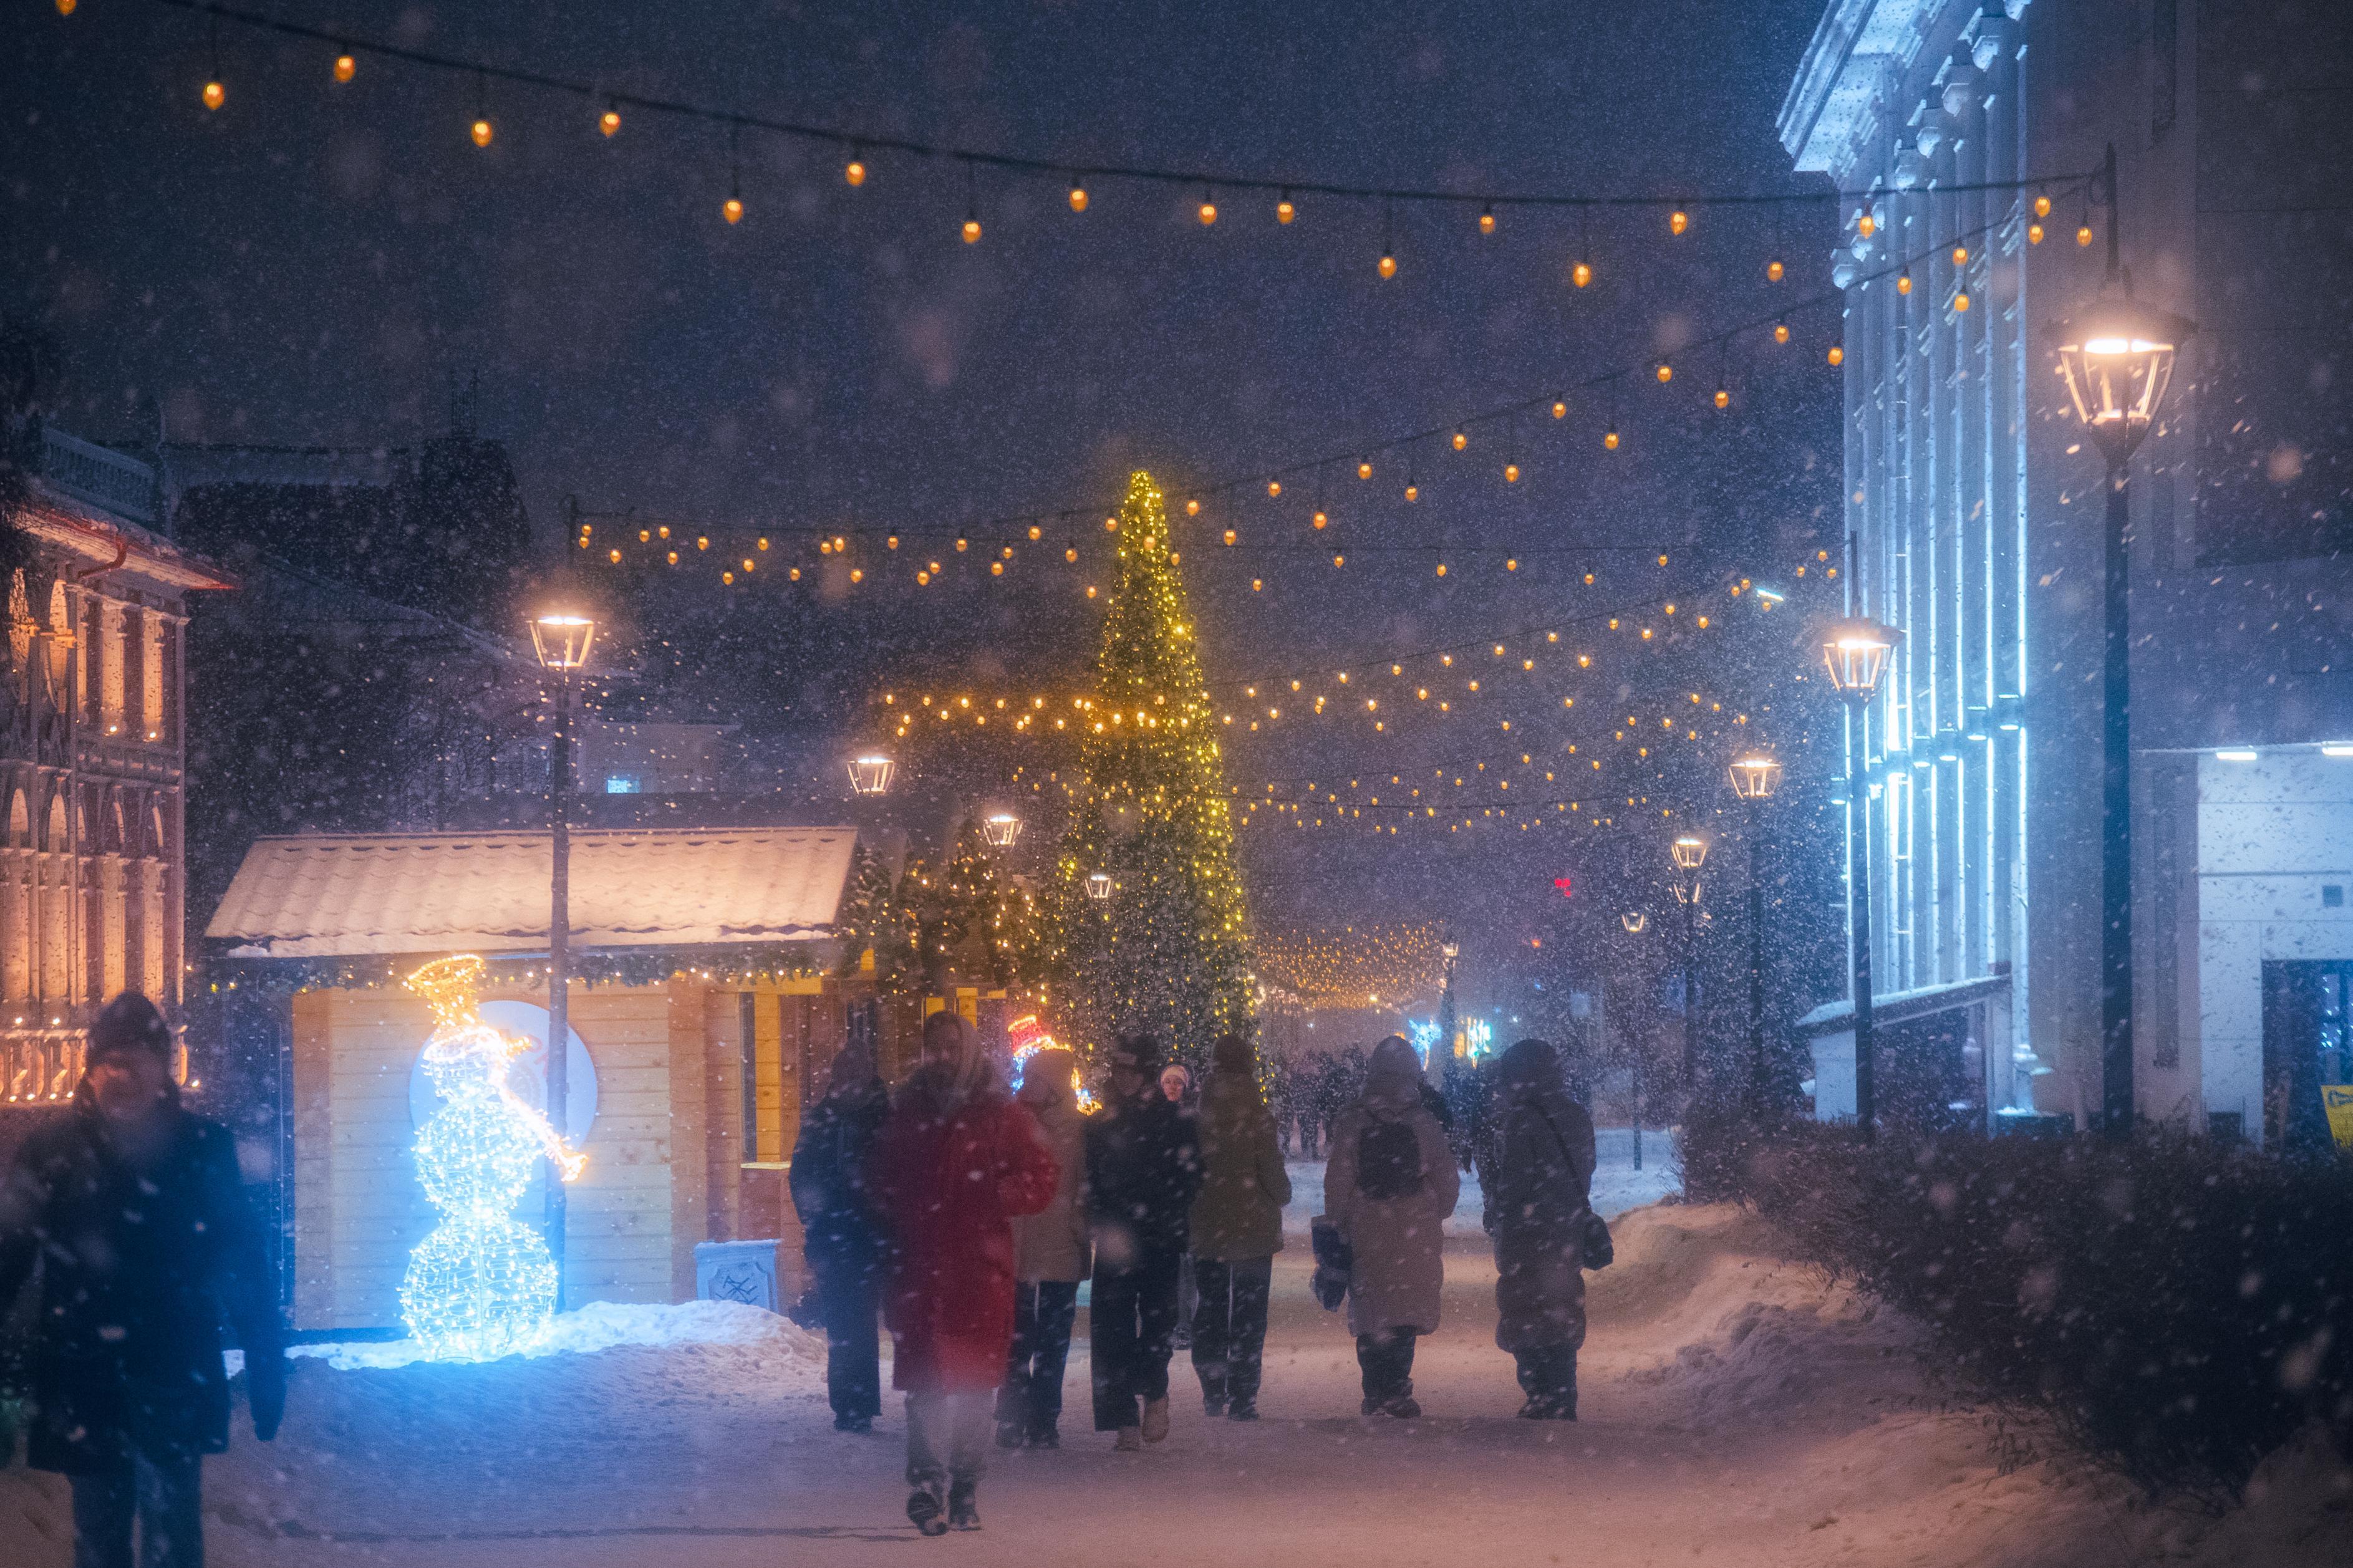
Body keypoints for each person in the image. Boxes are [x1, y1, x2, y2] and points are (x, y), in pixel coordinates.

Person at [0, 992, 286, 1568]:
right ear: (91, 1067)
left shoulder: (203, 1150)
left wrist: (266, 1365)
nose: (123, 1074)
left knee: (173, 1532)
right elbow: (7, 1263)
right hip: (87, 1375)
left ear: (164, 1065)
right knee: (100, 1535)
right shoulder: (51, 1152)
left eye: (137, 1059)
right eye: (111, 1061)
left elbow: (244, 1265)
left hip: (171, 1373)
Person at [870, 1012, 1058, 1535]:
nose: (943, 1056)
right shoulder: (907, 1110)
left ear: (969, 1049)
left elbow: (1041, 1175)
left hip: (977, 1272)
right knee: (926, 1385)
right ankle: (928, 1485)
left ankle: (965, 1486)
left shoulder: (1000, 1111)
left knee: (974, 1387)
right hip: (922, 1269)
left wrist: (996, 1196)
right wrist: (893, 1213)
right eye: (934, 1047)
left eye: (952, 1046)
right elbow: (882, 1174)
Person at [1325, 1034, 1459, 1418]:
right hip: (1413, 1224)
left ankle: (1374, 1388)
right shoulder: (1425, 1123)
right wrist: (1433, 1211)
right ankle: (1398, 1386)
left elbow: (1338, 1180)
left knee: (1370, 1305)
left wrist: (1341, 1220)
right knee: (1404, 1307)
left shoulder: (1352, 1121)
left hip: (1367, 1222)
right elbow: (1447, 1179)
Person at [1083, 1034, 1202, 1450]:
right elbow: (1091, 1178)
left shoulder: (1174, 1121)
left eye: (1130, 1069)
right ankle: (1122, 1417)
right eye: (1118, 1068)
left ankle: (1153, 1390)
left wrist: (1164, 1210)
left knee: (1156, 1321)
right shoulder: (1102, 1122)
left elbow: (1192, 1175)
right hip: (1119, 1236)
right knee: (1112, 1326)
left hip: (1158, 1237)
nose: (1123, 1076)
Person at [1478, 1038, 1598, 1420]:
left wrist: (1503, 1214)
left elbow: (1515, 1182)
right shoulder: (1576, 1116)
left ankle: (1540, 1391)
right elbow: (1585, 1169)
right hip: (1566, 1227)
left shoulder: (1522, 1121)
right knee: (1561, 1307)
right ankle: (1561, 1391)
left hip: (1527, 1233)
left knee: (1525, 1308)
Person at [788, 1042, 892, 1433]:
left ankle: (858, 1404)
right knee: (844, 1323)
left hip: (867, 1234)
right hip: (837, 1235)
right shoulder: (825, 1120)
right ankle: (850, 1404)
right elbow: (802, 1176)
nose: (849, 1081)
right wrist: (816, 1220)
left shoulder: (882, 1118)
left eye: (856, 1073)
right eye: (844, 1073)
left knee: (858, 1321)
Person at [1188, 1034, 1291, 1420]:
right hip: (1253, 1228)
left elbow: (1189, 1171)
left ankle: (1213, 1386)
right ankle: (1244, 1395)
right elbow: (1273, 1176)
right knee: (1250, 1313)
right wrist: (1282, 1194)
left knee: (1210, 1307)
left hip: (1208, 1226)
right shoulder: (1259, 1116)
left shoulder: (1198, 1117)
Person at [996, 1046, 1089, 1449]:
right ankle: (1012, 1414)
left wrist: (1080, 1232)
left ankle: (1044, 1417)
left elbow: (1084, 1189)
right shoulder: (1010, 1123)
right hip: (1016, 1247)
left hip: (1059, 1246)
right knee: (1015, 1339)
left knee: (1052, 1341)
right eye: (1026, 1076)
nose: (1027, 1085)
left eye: (1036, 1077)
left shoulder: (1079, 1129)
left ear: (1053, 1084)